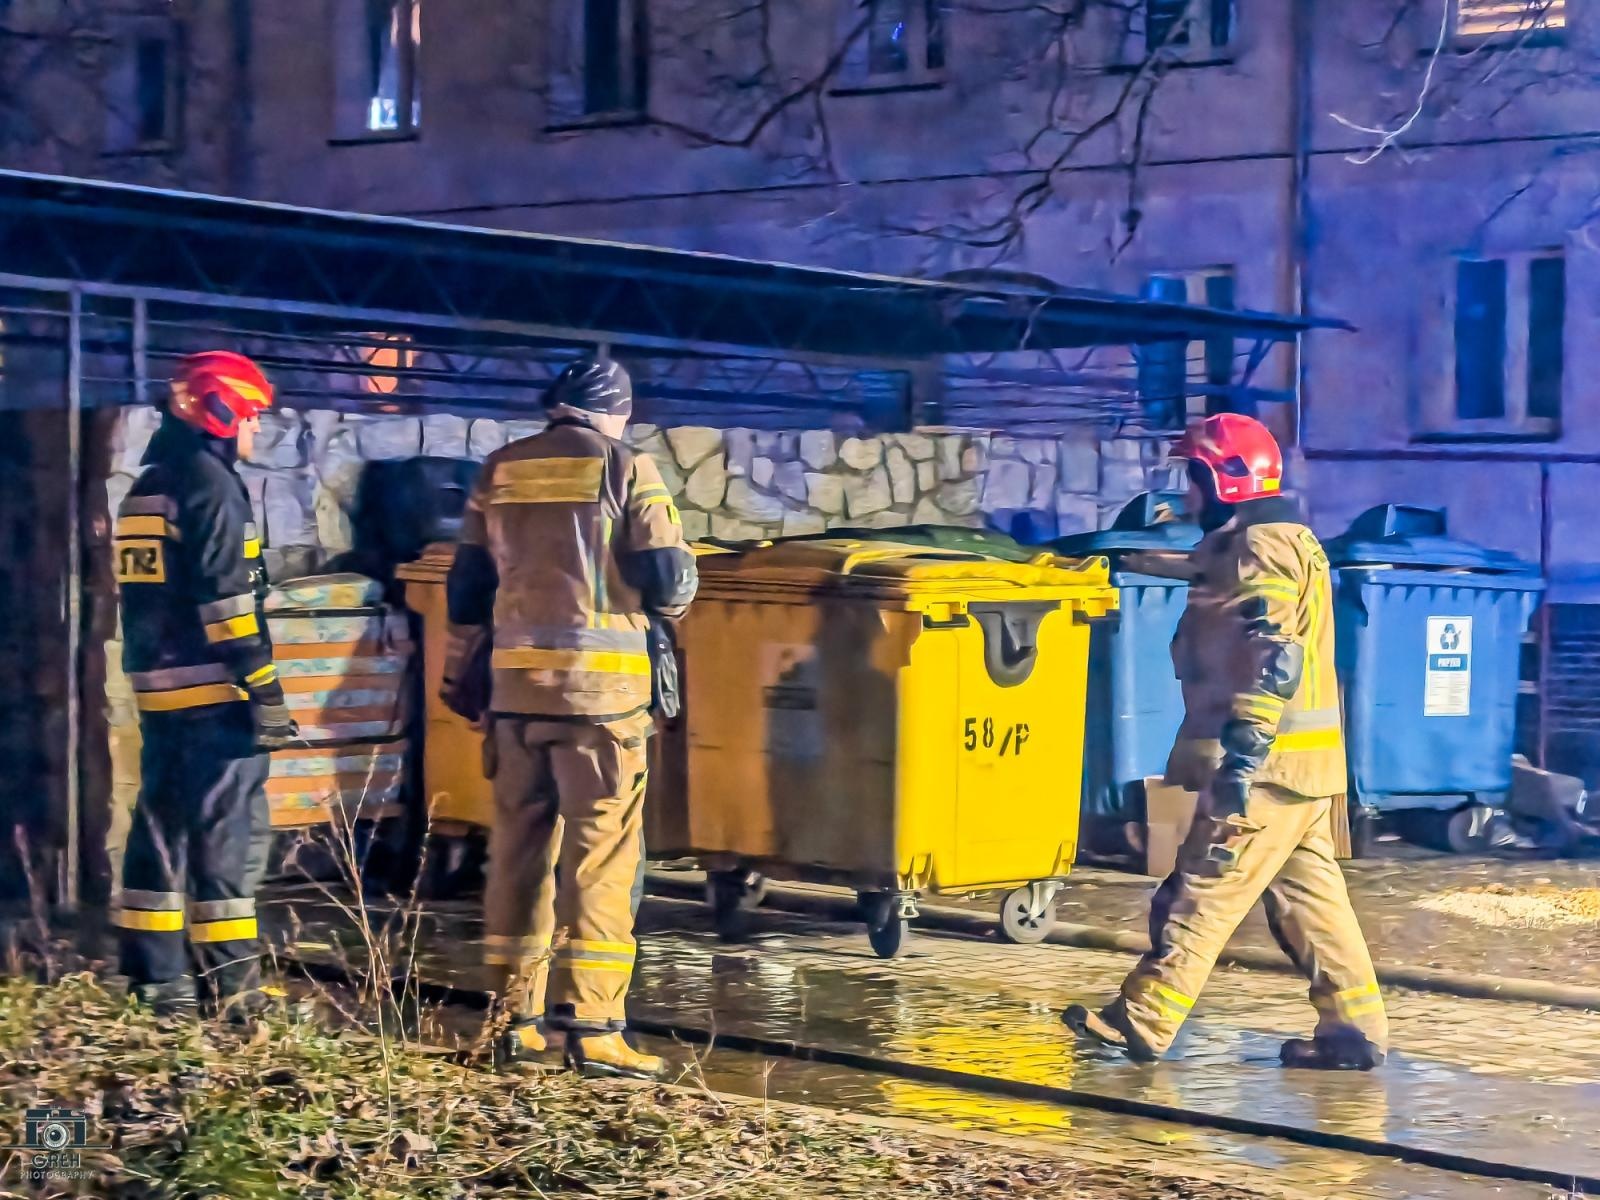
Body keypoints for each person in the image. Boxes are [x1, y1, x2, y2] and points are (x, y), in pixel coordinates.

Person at [1063, 413, 1387, 1070]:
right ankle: (1352, 1027)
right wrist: (1119, 557)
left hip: (1263, 764)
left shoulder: (1258, 549)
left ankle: (1144, 1018)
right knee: (1309, 901)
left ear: (1226, 478)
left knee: (1203, 888)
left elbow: (1273, 654)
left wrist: (1243, 754)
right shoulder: (1278, 538)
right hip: (1303, 767)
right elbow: (1213, 576)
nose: (1188, 495)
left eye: (1195, 478)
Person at [444, 351, 696, 1079]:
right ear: (612, 408)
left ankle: (509, 1023)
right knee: (601, 860)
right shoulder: (626, 466)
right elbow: (668, 579)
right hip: (603, 704)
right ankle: (593, 1027)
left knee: (518, 858)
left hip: (515, 700)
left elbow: (466, 590)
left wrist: (464, 678)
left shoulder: (500, 469)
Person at [113, 351, 297, 1020]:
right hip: (214, 694)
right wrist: (265, 690)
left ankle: (157, 985)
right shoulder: (210, 486)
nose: (253, 433)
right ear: (221, 413)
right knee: (226, 844)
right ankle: (236, 998)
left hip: (160, 693)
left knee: (160, 835)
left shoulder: (149, 484)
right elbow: (226, 602)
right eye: (251, 418)